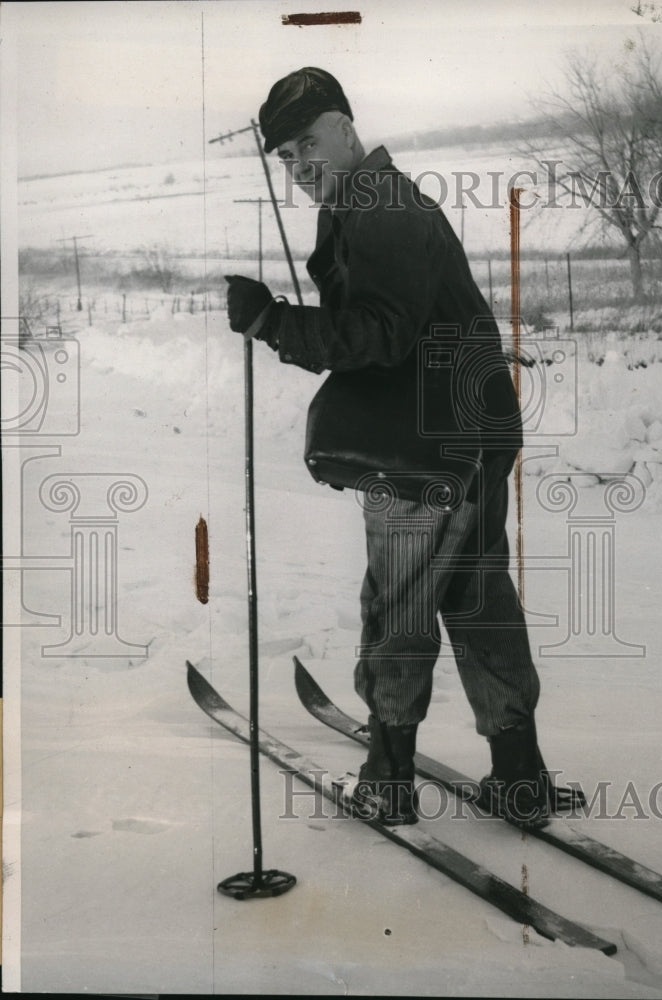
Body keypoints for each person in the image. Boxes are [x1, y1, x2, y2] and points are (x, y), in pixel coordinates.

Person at [226, 67, 561, 830]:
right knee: (475, 598)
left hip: (422, 451)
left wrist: (272, 321)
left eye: (308, 142)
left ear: (345, 128)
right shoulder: (373, 201)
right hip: (467, 436)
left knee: (398, 608)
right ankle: (519, 775)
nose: (299, 164)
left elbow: (376, 334)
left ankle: (388, 779)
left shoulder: (377, 206)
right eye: (285, 156)